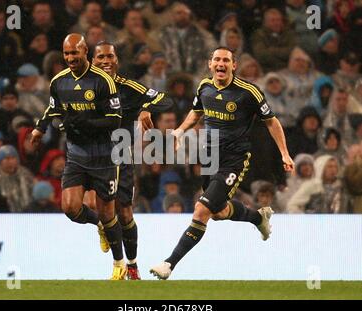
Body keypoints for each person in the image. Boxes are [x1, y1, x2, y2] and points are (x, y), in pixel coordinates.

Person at [150, 47, 294, 280]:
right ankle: (259, 218)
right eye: (217, 59)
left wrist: (284, 154)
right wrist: (178, 131)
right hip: (210, 158)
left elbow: (272, 122)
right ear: (210, 64)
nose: (221, 63)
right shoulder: (204, 87)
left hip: (234, 160)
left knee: (201, 210)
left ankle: (169, 264)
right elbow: (196, 113)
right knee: (217, 212)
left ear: (233, 66)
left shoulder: (249, 92)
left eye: (226, 60)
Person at [30, 34, 125, 280]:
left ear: (85, 52)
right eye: (67, 54)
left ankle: (119, 263)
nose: (70, 58)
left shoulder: (103, 81)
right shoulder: (59, 82)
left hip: (105, 156)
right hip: (77, 156)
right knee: (70, 208)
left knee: (108, 212)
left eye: (75, 53)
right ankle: (100, 227)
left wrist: (85, 122)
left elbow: (116, 120)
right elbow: (54, 108)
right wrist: (40, 128)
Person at [91, 41, 174, 280]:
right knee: (88, 207)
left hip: (120, 157)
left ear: (117, 60)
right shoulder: (83, 86)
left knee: (125, 213)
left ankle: (132, 265)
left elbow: (164, 99)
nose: (106, 61)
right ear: (92, 60)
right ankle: (113, 255)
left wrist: (146, 107)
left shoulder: (128, 87)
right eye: (100, 57)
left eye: (110, 56)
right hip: (91, 157)